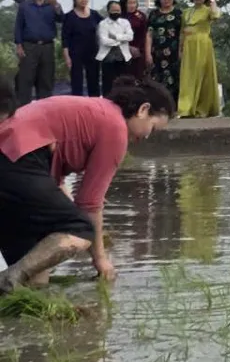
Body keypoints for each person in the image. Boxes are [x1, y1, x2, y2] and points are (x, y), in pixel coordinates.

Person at [0, 77, 174, 290]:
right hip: (18, 160)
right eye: (153, 128)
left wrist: (75, 213)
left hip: (15, 163)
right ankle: (10, 277)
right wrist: (100, 260)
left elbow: (56, 187)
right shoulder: (115, 128)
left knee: (36, 283)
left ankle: (13, 290)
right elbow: (89, 204)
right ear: (143, 109)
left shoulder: (96, 110)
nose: (148, 136)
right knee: (81, 230)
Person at [13, 0, 63, 106]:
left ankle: (44, 110)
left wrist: (56, 4)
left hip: (47, 46)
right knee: (25, 80)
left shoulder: (52, 5)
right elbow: (19, 26)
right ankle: (23, 111)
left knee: (46, 80)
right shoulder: (25, 6)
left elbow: (61, 19)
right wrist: (19, 45)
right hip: (29, 46)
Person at [178, 0, 221, 118]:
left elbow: (216, 15)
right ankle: (185, 108)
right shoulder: (186, 12)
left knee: (203, 75)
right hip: (188, 44)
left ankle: (202, 108)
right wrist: (180, 48)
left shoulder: (208, 10)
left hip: (202, 44)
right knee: (187, 76)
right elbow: (182, 31)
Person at [61, 0, 101, 97]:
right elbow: (65, 38)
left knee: (94, 82)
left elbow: (106, 26)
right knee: (77, 83)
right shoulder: (69, 16)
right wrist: (67, 56)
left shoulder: (94, 14)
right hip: (75, 54)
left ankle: (95, 107)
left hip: (93, 53)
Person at [147, 0, 183, 102]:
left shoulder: (179, 14)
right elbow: (149, 34)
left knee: (175, 79)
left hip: (174, 53)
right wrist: (148, 54)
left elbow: (183, 34)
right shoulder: (153, 14)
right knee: (157, 79)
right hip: (157, 53)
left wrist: (181, 52)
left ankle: (174, 107)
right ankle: (159, 107)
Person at [96, 0, 134, 96]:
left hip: (123, 57)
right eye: (113, 10)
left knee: (124, 84)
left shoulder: (125, 22)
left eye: (118, 10)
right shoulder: (103, 24)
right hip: (108, 58)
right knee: (108, 84)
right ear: (108, 11)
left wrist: (116, 37)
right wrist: (121, 39)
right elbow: (104, 40)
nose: (116, 12)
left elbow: (130, 36)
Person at [120, 0, 149, 79]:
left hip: (138, 52)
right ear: (124, 4)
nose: (132, 5)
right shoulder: (119, 16)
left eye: (134, 2)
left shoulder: (141, 16)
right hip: (122, 52)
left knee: (138, 77)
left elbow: (145, 34)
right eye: (129, 3)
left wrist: (139, 49)